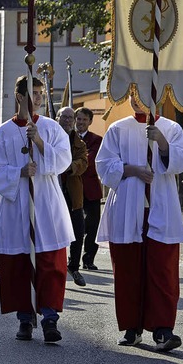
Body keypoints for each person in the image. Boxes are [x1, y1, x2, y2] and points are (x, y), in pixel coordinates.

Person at [0, 75, 74, 343]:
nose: (38, 98)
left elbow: (64, 160)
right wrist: (18, 172)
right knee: (20, 263)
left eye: (40, 93)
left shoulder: (51, 128)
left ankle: (49, 318)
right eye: (32, 93)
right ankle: (24, 318)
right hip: (17, 203)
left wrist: (40, 143)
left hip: (45, 201)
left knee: (49, 262)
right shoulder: (4, 132)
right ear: (19, 96)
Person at [96, 94, 183, 351]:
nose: (137, 100)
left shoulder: (171, 128)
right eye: (133, 94)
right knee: (128, 269)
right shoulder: (118, 128)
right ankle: (131, 327)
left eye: (143, 94)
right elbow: (104, 165)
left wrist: (162, 143)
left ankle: (163, 330)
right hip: (128, 207)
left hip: (160, 207)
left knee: (162, 271)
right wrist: (131, 170)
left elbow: (182, 161)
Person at [56, 107, 88, 287]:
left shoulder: (78, 142)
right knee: (55, 232)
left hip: (73, 194)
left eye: (71, 117)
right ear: (57, 118)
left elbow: (83, 162)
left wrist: (66, 165)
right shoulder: (50, 137)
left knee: (78, 231)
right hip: (53, 192)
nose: (68, 120)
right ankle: (56, 266)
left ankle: (74, 267)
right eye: (64, 117)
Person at [75, 107, 103, 270]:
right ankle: (74, 259)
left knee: (92, 226)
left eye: (84, 120)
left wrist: (74, 161)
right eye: (79, 119)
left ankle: (89, 259)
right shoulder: (67, 138)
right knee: (74, 226)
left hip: (91, 190)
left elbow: (89, 160)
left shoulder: (96, 140)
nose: (81, 122)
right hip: (72, 188)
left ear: (90, 122)